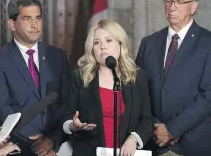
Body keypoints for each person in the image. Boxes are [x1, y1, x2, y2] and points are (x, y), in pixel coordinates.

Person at [136, 0, 211, 156]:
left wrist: (171, 129)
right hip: (153, 141)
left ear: (193, 7)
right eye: (168, 1)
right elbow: (138, 91)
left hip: (194, 145)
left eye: (179, 2)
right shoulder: (149, 43)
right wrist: (155, 127)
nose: (172, 7)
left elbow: (209, 96)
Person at [62, 19, 154, 156]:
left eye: (109, 40)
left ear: (120, 44)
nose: (103, 47)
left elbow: (147, 119)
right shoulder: (80, 78)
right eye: (96, 42)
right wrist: (73, 126)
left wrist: (133, 139)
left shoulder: (138, 77)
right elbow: (66, 118)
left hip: (127, 152)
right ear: (92, 49)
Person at [0, 0, 71, 156]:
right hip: (16, 149)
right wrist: (34, 143)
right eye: (27, 19)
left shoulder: (57, 56)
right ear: (12, 24)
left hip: (55, 148)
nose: (35, 25)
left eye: (38, 18)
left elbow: (67, 103)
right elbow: (3, 109)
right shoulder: (1, 59)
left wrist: (52, 139)